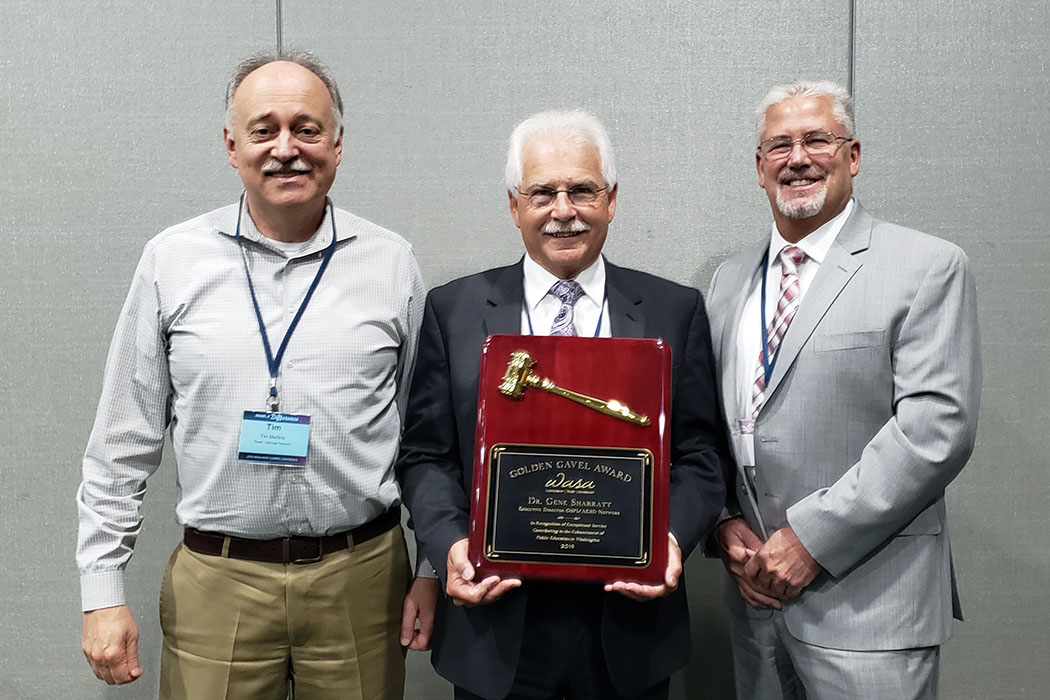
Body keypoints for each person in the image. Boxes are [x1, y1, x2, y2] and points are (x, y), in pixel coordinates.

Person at [76, 50, 437, 700]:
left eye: (306, 128)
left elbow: (429, 440)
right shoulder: (172, 261)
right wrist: (101, 591)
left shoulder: (390, 262)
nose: (286, 148)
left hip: (360, 578)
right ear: (231, 143)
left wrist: (433, 566)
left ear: (337, 142)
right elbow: (120, 444)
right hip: (219, 584)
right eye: (264, 129)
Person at [395, 109, 731, 700]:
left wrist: (668, 542)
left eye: (582, 190)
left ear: (612, 199)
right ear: (514, 205)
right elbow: (425, 455)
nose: (563, 210)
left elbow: (701, 455)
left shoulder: (673, 310)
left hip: (628, 628)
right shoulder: (455, 311)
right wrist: (451, 545)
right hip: (497, 626)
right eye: (542, 192)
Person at [705, 80, 981, 699]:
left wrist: (810, 540)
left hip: (871, 608)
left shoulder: (927, 266)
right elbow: (717, 423)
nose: (797, 158)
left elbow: (935, 430)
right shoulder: (728, 281)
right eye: (779, 145)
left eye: (816, 140)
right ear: (758, 167)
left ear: (852, 156)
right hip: (754, 605)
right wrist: (724, 526)